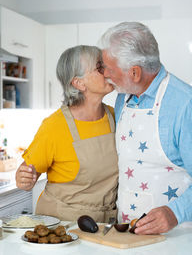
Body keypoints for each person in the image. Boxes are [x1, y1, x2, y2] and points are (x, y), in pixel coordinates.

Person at [99, 22, 192, 234]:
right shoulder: (122, 99)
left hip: (179, 234)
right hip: (130, 235)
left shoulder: (187, 105)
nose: (105, 74)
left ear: (134, 73)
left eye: (109, 69)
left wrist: (174, 213)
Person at [15, 45, 118, 222]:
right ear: (79, 83)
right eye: (100, 67)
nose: (109, 71)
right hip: (62, 224)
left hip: (105, 222)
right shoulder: (55, 126)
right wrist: (23, 178)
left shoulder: (115, 117)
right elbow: (26, 174)